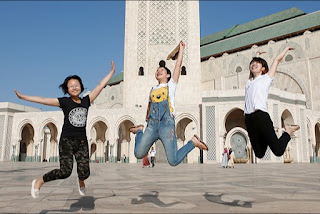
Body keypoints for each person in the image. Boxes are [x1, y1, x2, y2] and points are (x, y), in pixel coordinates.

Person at [14, 61, 115, 199]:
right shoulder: (64, 102)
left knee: (85, 172)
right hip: (67, 140)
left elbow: (100, 86)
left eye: (76, 85)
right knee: (65, 171)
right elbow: (43, 100)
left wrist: (111, 72)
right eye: (71, 86)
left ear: (81, 86)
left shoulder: (86, 100)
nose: (74, 87)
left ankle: (81, 181)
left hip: (82, 141)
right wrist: (24, 97)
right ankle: (39, 181)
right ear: (67, 89)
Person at [129, 41, 208, 167]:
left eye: (162, 70)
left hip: (167, 125)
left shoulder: (171, 86)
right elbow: (149, 108)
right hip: (152, 125)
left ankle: (193, 143)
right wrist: (146, 121)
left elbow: (178, 66)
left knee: (173, 160)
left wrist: (181, 49)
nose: (158, 71)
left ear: (168, 75)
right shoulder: (152, 89)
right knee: (138, 153)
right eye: (157, 71)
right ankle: (139, 130)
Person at [244, 47, 300, 159]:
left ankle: (288, 132)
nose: (253, 64)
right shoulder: (249, 82)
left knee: (278, 151)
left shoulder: (266, 79)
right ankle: (268, 133)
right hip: (249, 119)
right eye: (252, 63)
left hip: (261, 116)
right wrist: (256, 55)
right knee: (259, 154)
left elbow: (277, 60)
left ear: (263, 69)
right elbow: (252, 69)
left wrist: (286, 48)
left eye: (257, 63)